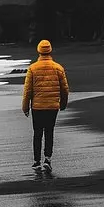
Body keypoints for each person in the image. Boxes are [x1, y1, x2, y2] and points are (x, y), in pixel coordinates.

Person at [21, 39, 69, 174]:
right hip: (53, 107)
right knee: (49, 132)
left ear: (39, 51)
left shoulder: (33, 68)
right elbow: (64, 89)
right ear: (50, 50)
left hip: (37, 107)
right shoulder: (58, 68)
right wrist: (63, 104)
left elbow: (27, 90)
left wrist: (25, 107)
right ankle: (47, 159)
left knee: (37, 133)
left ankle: (36, 161)